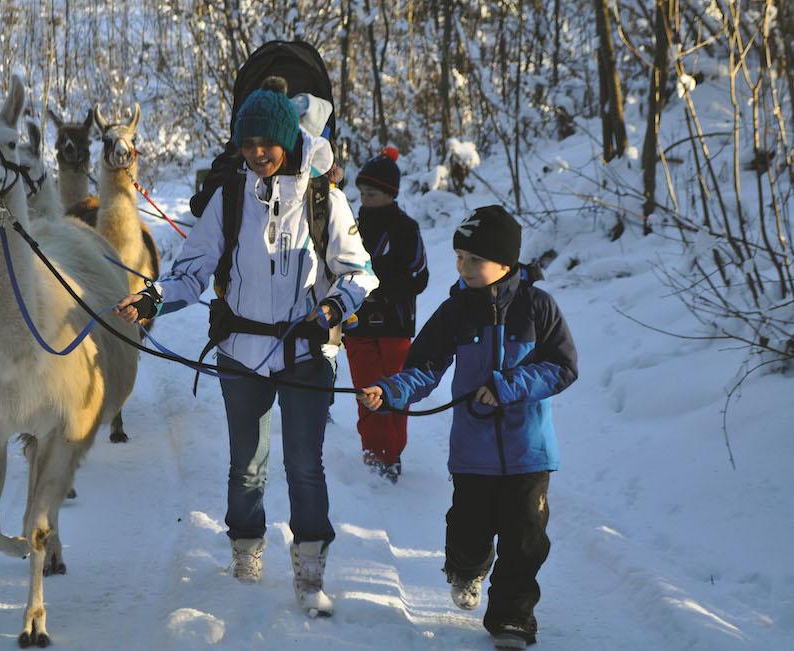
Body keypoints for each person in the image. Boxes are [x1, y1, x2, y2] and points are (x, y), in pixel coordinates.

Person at [116, 76, 378, 617]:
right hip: (240, 350)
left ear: (287, 140)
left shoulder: (323, 198)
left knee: (305, 465)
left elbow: (360, 273)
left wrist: (331, 309)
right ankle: (246, 550)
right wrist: (151, 300)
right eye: (247, 144)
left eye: (267, 144)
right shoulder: (230, 196)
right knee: (247, 465)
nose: (257, 154)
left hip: (307, 354)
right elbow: (191, 273)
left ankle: (310, 567)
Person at [357, 205, 577, 649]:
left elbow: (562, 368)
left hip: (528, 452)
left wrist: (510, 386)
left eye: (473, 259)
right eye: (459, 257)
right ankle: (467, 567)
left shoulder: (538, 307)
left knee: (525, 540)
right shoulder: (456, 311)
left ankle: (512, 619)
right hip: (472, 453)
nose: (463, 267)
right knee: (468, 533)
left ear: (505, 262)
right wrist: (390, 392)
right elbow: (423, 368)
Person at [343, 147, 428, 482]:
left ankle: (391, 453)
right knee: (366, 391)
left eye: (372, 194)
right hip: (357, 324)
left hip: (395, 326)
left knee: (394, 391)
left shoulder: (406, 228)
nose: (364, 199)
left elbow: (419, 277)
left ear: (391, 194)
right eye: (362, 193)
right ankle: (377, 455)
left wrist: (381, 290)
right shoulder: (351, 226)